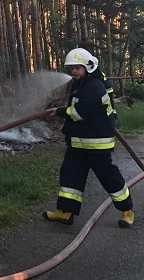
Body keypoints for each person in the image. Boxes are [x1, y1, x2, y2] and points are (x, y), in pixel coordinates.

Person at [44, 47, 134, 228]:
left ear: (88, 67)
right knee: (70, 176)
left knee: (109, 178)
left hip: (97, 144)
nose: (73, 72)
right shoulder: (82, 83)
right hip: (78, 142)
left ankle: (127, 211)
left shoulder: (94, 86)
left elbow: (80, 112)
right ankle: (65, 212)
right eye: (71, 69)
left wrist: (60, 112)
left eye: (77, 68)